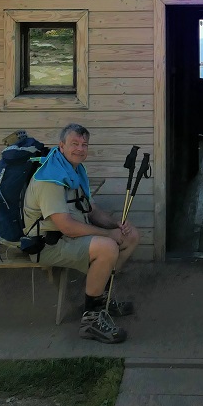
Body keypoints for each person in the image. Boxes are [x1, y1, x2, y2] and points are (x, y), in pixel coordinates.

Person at [22, 123, 140, 344]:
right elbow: (66, 226)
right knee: (108, 247)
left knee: (130, 234)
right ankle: (92, 320)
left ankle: (102, 299)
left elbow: (91, 210)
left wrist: (116, 224)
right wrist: (108, 236)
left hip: (71, 239)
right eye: (74, 144)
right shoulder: (50, 178)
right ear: (61, 145)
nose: (80, 149)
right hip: (49, 244)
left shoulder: (75, 171)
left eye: (84, 144)